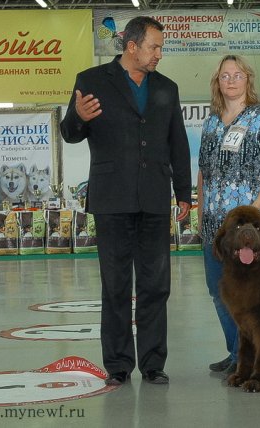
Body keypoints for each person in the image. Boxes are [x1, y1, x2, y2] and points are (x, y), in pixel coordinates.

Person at [60, 16, 192, 386]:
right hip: (111, 200)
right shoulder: (91, 80)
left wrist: (183, 192)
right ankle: (118, 366)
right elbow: (70, 133)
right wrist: (77, 117)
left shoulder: (167, 88)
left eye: (161, 47)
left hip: (154, 197)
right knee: (116, 285)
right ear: (131, 46)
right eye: (154, 47)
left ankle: (153, 363)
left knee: (155, 285)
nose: (159, 54)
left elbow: (177, 142)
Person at [197, 55, 260, 376]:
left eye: (237, 75)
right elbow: (204, 171)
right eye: (225, 75)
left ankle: (253, 357)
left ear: (248, 79)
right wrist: (200, 208)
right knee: (218, 289)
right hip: (216, 226)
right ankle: (237, 352)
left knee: (254, 294)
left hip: (251, 226)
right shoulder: (210, 122)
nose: (231, 80)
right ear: (217, 82)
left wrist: (256, 209)